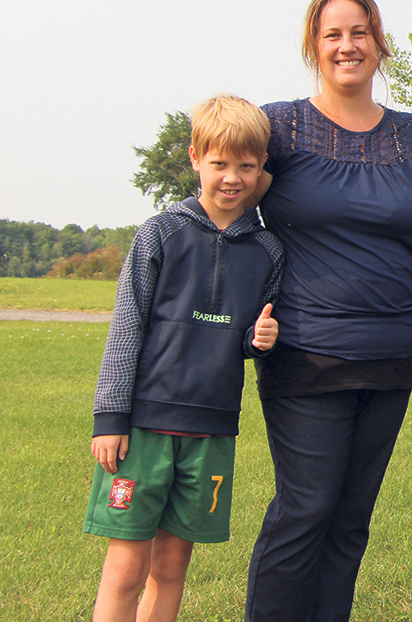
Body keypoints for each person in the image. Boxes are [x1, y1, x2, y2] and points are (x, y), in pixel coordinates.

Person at [243, 0, 412, 621]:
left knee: (350, 519)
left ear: (379, 42)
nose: (347, 46)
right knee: (306, 508)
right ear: (314, 45)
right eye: (333, 34)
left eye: (359, 32)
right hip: (304, 351)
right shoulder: (278, 126)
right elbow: (225, 205)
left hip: (390, 354)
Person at [85, 94, 284, 622]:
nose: (232, 177)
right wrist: (111, 417)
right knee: (125, 570)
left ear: (262, 167)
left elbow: (243, 335)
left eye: (247, 165)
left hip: (211, 430)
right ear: (196, 158)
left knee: (171, 569)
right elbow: (127, 327)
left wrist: (258, 339)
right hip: (144, 428)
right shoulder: (160, 233)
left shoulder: (267, 249)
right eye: (219, 163)